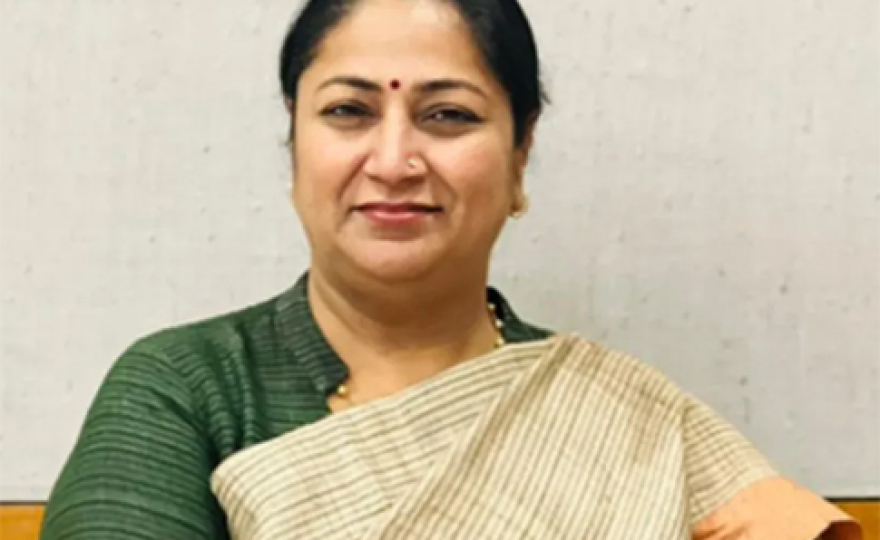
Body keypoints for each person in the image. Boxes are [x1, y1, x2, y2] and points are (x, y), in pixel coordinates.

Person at [41, 0, 861, 538]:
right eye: (349, 111)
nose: (393, 160)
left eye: (447, 114)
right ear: (296, 144)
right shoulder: (187, 390)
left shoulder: (632, 420)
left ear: (520, 156)